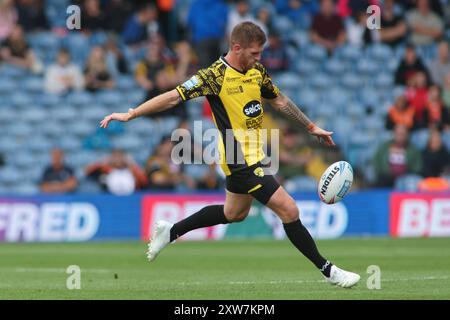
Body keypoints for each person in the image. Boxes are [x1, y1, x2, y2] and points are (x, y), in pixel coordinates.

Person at [100, 22, 360, 288]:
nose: (259, 59)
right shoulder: (214, 76)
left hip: (253, 154)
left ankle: (171, 231)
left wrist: (310, 126)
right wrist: (131, 114)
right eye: (254, 53)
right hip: (238, 157)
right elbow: (174, 97)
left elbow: (279, 100)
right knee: (289, 209)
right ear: (237, 48)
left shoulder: (256, 71)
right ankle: (329, 271)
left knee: (234, 213)